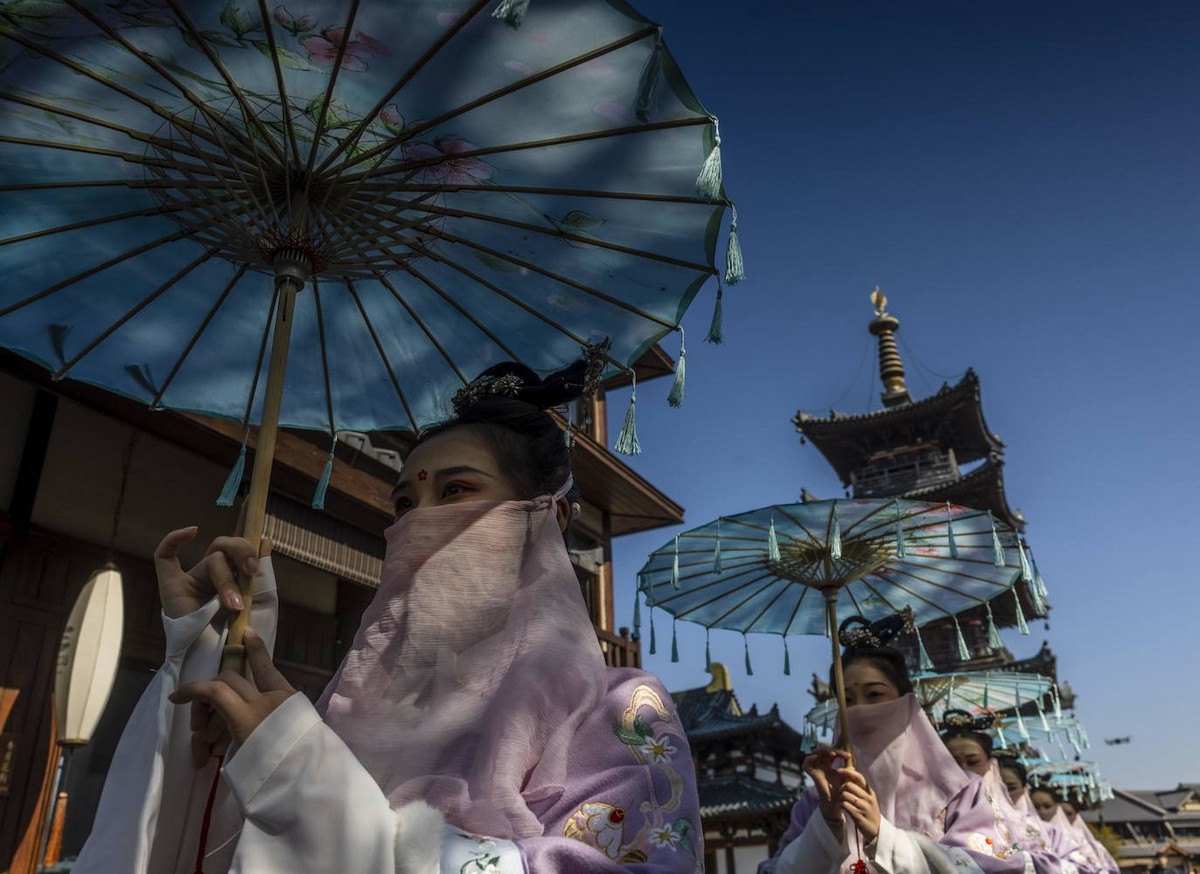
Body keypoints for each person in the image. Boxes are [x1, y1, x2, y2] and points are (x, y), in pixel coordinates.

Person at [72, 353, 705, 874]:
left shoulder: (619, 712)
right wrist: (211, 651)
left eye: (456, 491)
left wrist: (308, 782)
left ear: (549, 514)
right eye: (405, 503)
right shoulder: (347, 707)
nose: (419, 521)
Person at [761, 613, 1057, 874]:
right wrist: (827, 825)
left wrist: (884, 838)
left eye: (874, 695)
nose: (859, 710)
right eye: (847, 700)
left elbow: (990, 867)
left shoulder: (961, 793)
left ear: (905, 703)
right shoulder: (815, 802)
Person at [939, 714, 1101, 874]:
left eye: (973, 762)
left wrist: (1028, 863)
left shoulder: (1033, 828)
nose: (964, 771)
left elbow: (1087, 868)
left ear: (991, 765)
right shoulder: (930, 814)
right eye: (952, 763)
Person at [1029, 789, 1118, 874]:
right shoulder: (1026, 835)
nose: (1042, 811)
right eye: (1035, 807)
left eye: (1047, 806)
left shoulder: (1080, 843)